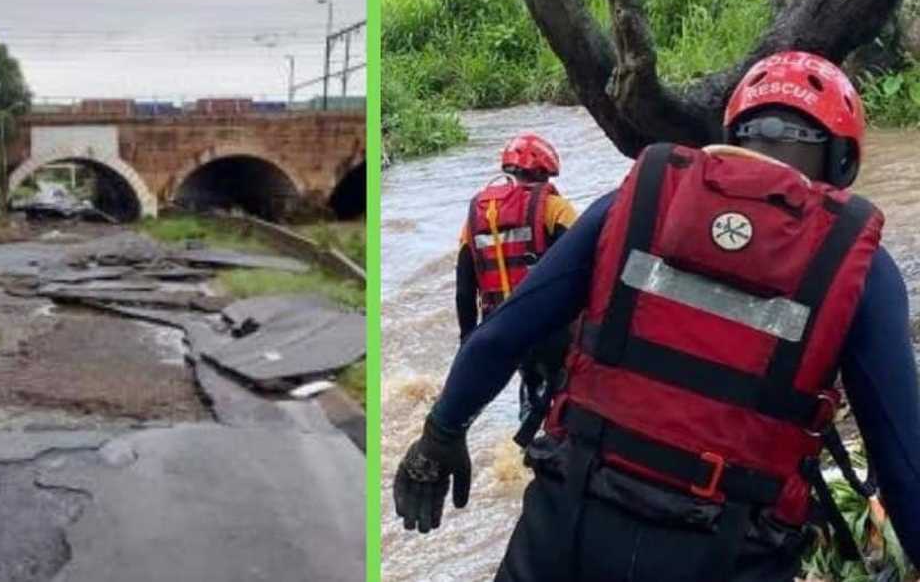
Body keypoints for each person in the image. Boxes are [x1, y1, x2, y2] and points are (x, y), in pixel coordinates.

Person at [393, 51, 920, 582]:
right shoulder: (861, 267)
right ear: (844, 163)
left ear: (734, 134)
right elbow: (903, 464)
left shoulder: (632, 199)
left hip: (568, 525)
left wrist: (439, 438)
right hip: (729, 552)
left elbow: (498, 337)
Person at [457, 133, 578, 444]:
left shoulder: (475, 217)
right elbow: (587, 261)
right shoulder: (554, 207)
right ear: (541, 173)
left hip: (503, 329)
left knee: (532, 385)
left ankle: (527, 441)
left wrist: (468, 340)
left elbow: (464, 288)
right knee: (568, 395)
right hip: (552, 328)